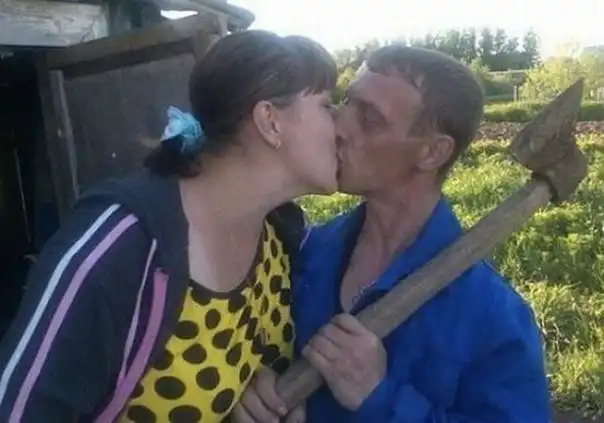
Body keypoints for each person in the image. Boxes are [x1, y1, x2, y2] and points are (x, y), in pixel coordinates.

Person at [0, 29, 338, 423]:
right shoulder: (123, 244)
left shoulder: (282, 235)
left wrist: (250, 389)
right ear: (270, 121)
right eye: (327, 106)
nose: (341, 126)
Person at [234, 46, 551, 423]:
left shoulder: (492, 318)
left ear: (432, 152)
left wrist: (380, 398)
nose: (339, 128)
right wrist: (255, 384)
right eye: (347, 103)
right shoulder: (303, 252)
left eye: (369, 118)